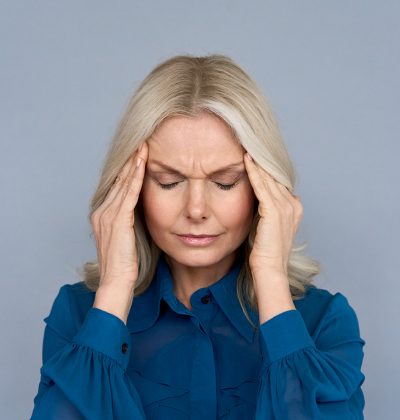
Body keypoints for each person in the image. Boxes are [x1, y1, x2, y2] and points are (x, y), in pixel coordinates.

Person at [30, 54, 366, 420]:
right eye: (168, 182)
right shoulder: (79, 314)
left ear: (262, 188)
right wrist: (115, 287)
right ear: (132, 188)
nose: (196, 209)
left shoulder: (324, 321)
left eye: (225, 182)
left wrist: (270, 275)